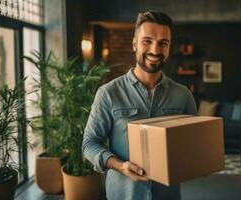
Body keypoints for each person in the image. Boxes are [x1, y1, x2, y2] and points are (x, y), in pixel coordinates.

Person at [82, 10, 197, 200]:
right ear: (134, 44)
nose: (155, 50)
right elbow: (89, 144)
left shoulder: (183, 95)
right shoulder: (108, 93)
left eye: (163, 43)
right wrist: (120, 165)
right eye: (147, 41)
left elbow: (193, 145)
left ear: (169, 48)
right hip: (123, 195)